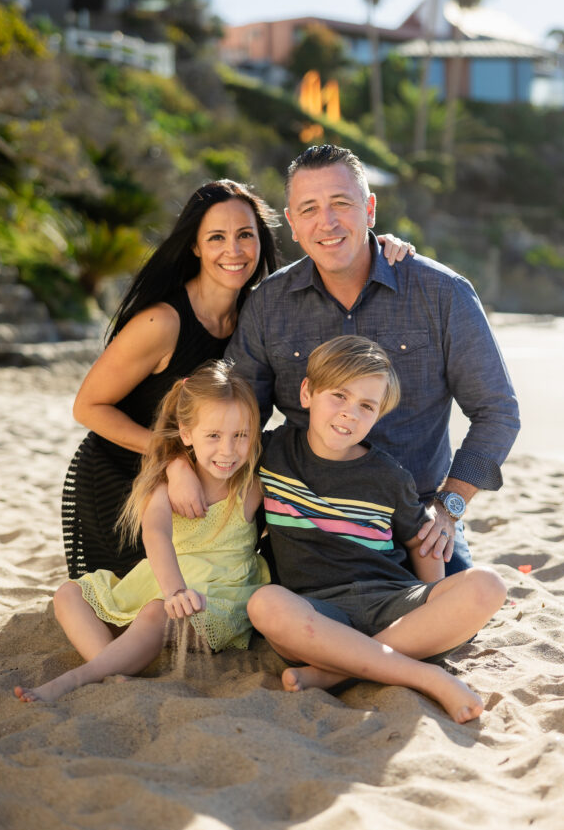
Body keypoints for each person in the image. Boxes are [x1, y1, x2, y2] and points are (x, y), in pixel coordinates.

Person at [63, 175, 411, 581]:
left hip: (211, 475)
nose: (234, 250)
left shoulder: (259, 310)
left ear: (262, 240)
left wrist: (374, 245)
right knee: (145, 606)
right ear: (194, 246)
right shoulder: (161, 322)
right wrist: (173, 461)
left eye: (245, 234)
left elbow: (336, 268)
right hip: (125, 476)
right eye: (216, 238)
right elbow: (87, 407)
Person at [226, 144, 521, 575]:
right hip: (306, 516)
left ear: (370, 208)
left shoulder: (441, 293)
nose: (326, 222)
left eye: (341, 204)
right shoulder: (269, 303)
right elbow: (239, 414)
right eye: (308, 209)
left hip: (415, 517)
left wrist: (448, 507)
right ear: (291, 223)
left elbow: (497, 411)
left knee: (451, 621)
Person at [247, 336, 507, 723]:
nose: (350, 413)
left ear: (378, 415)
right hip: (318, 617)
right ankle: (423, 675)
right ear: (307, 392)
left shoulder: (389, 476)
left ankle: (335, 672)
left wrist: (433, 599)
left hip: (392, 608)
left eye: (366, 406)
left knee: (489, 584)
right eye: (338, 396)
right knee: (264, 604)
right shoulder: (272, 452)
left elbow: (423, 544)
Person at [15, 362, 269, 704]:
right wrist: (175, 590)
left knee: (155, 612)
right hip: (166, 583)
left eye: (241, 435)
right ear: (186, 433)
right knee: (67, 594)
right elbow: (157, 536)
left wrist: (177, 597)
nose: (228, 450)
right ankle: (111, 669)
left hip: (217, 598)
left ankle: (77, 678)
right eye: (214, 435)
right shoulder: (165, 485)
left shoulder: (250, 486)